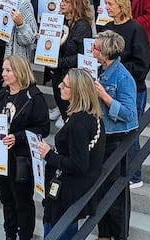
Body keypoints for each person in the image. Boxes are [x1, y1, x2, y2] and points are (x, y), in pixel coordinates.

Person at [0, 55, 50, 240]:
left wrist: (18, 137)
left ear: (20, 72)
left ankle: (25, 236)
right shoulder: (2, 94)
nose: (3, 74)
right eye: (4, 70)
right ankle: (10, 234)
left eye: (8, 70)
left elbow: (43, 129)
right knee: (6, 198)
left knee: (22, 200)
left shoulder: (33, 96)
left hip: (21, 158)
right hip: (0, 156)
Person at [37, 68, 105, 240]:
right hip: (72, 188)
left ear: (77, 91)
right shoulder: (90, 115)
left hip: (67, 193)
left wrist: (49, 154)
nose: (59, 86)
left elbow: (79, 164)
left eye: (65, 85)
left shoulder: (79, 124)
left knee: (57, 233)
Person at [100, 0, 150, 188]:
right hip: (106, 90)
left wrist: (116, 68)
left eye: (111, 4)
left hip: (133, 90)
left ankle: (135, 174)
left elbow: (143, 64)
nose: (107, 8)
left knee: (131, 131)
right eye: (106, 4)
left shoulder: (135, 29)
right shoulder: (106, 27)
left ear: (122, 6)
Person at [91, 30, 138, 240]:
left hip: (117, 138)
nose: (92, 50)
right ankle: (104, 232)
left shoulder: (122, 77)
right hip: (102, 135)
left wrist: (105, 97)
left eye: (96, 47)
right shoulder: (98, 70)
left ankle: (119, 235)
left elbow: (129, 113)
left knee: (116, 192)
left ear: (106, 52)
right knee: (100, 188)